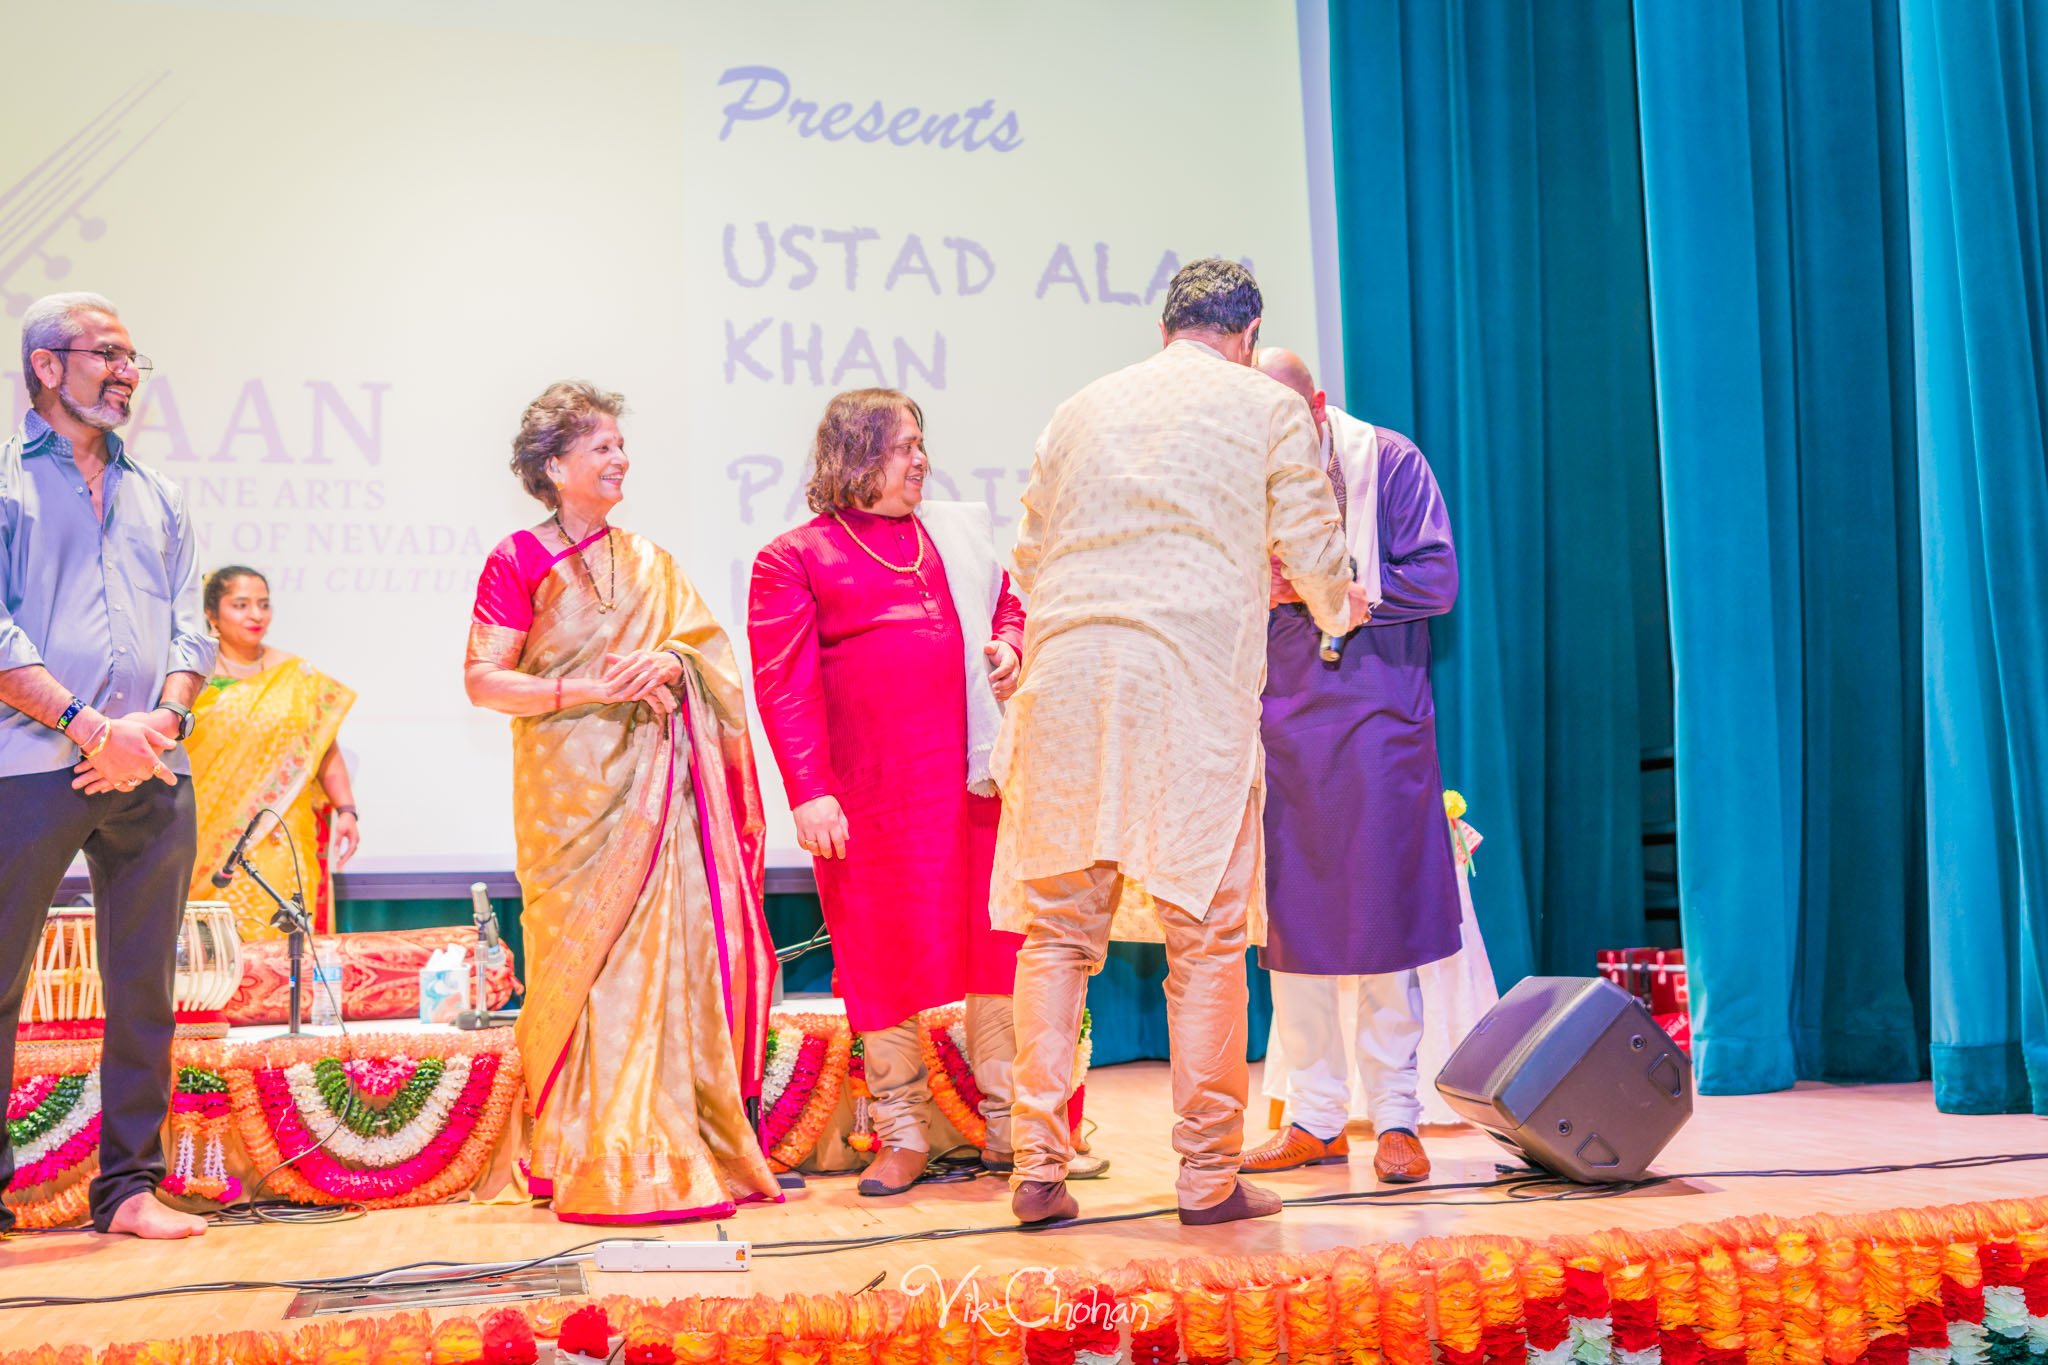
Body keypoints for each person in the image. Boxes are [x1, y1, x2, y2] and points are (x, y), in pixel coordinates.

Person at [990, 260, 1369, 1226]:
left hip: (1067, 677)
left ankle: (1037, 1166)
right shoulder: (1266, 406)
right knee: (1204, 945)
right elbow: (1313, 540)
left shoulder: (1079, 407)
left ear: (1167, 326)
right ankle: (1206, 1179)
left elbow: (1029, 555)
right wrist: (1341, 604)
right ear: (1246, 334)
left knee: (1056, 939)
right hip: (1185, 687)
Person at [748, 389, 1106, 1197]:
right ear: (858, 456)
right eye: (905, 446)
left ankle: (1011, 1125)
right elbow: (785, 688)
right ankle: (903, 1132)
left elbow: (1007, 601)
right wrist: (810, 792)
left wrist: (1010, 644)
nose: (921, 460)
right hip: (869, 799)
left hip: (970, 784)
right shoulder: (794, 557)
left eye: (921, 444)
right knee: (882, 958)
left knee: (995, 947)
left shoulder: (952, 534)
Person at [465, 380, 781, 1223]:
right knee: (587, 968)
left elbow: (709, 654)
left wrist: (672, 665)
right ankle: (579, 1145)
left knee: (657, 964)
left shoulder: (651, 564)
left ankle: (661, 1139)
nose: (619, 460)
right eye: (601, 447)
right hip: (566, 795)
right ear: (554, 465)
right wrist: (579, 688)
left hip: (653, 782)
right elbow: (483, 680)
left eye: (619, 446)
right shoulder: (518, 558)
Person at [0, 292, 212, 1238]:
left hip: (152, 770)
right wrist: (92, 727)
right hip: (29, 767)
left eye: (136, 359)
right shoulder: (5, 482)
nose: (127, 371)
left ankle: (129, 1187)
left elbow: (188, 625)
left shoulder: (158, 493)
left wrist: (159, 721)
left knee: (142, 983)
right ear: (47, 365)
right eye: (108, 354)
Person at [1244, 347, 1461, 1183]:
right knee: (1292, 928)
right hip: (1280, 718)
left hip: (1378, 714)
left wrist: (1323, 590)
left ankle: (1397, 1117)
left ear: (1320, 403)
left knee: (1382, 919)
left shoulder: (1388, 460)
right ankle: (1315, 1117)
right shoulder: (1241, 471)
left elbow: (1436, 578)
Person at [185, 566, 360, 941]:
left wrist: (347, 809)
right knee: (211, 946)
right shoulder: (190, 675)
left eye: (263, 605)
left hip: (280, 831)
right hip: (206, 833)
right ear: (212, 614)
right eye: (241, 604)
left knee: (281, 938)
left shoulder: (297, 674)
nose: (256, 615)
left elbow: (324, 749)